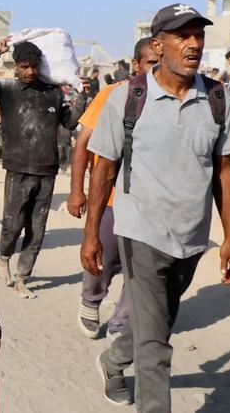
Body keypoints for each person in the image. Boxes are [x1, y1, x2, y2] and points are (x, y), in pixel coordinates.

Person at [85, 3, 230, 410]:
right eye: (182, 36)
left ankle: (113, 358)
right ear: (158, 44)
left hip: (192, 238)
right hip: (140, 233)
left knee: (156, 323)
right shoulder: (127, 98)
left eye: (198, 36)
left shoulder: (219, 99)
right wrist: (91, 237)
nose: (193, 44)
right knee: (157, 346)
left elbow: (225, 173)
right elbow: (103, 169)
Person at [0, 38, 85, 299]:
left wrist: (82, 97)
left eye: (33, 66)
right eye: (24, 66)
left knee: (37, 228)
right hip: (18, 168)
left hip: (47, 170)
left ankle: (23, 278)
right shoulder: (6, 89)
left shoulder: (53, 92)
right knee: (13, 223)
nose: (30, 71)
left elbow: (68, 123)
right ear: (16, 67)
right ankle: (3, 257)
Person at [68, 37, 160, 340]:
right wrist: (76, 190)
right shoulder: (112, 95)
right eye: (151, 63)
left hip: (149, 203)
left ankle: (121, 321)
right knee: (103, 259)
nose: (158, 70)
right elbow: (82, 145)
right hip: (109, 198)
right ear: (136, 65)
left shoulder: (170, 103)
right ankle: (91, 300)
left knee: (139, 270)